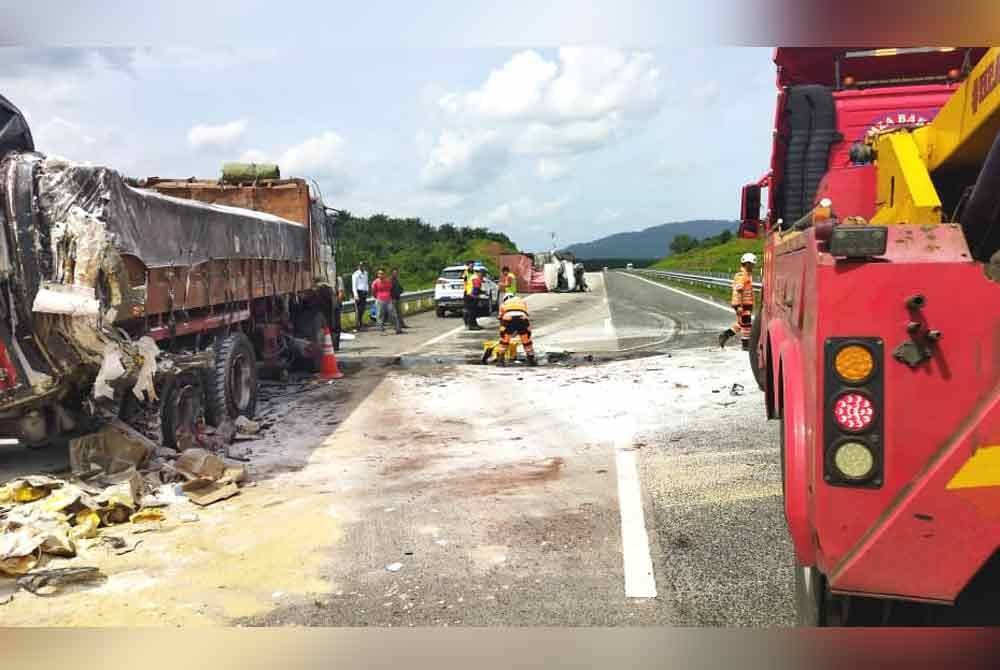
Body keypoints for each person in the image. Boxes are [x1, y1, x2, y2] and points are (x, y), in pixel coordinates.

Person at [482, 293, 537, 367]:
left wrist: (505, 331)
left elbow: (501, 318)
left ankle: (500, 360)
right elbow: (524, 313)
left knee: (504, 342)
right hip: (522, 319)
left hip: (508, 319)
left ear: (505, 298)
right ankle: (531, 360)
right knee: (526, 341)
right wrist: (520, 329)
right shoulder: (521, 301)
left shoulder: (504, 304)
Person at [719, 252, 757, 351]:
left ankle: (725, 335)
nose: (753, 266)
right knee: (746, 325)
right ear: (747, 264)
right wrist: (739, 306)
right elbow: (739, 291)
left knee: (742, 323)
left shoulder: (747, 274)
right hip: (742, 304)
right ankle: (746, 346)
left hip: (746, 303)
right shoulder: (742, 275)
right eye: (752, 264)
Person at [370, 269, 401, 334]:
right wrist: (377, 297)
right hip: (380, 299)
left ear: (385, 274)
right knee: (380, 315)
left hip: (388, 299)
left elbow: (391, 289)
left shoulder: (388, 281)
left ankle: (397, 328)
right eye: (379, 274)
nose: (380, 275)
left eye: (382, 274)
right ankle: (381, 330)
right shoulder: (375, 282)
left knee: (393, 314)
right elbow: (373, 291)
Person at [462, 260, 483, 331]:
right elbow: (465, 281)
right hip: (468, 292)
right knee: (469, 310)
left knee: (474, 310)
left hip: (473, 292)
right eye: (471, 265)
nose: (472, 266)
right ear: (468, 265)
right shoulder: (466, 272)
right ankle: (469, 324)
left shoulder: (474, 273)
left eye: (473, 265)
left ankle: (474, 324)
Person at [351, 262, 370, 331]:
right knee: (358, 310)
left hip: (364, 292)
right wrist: (355, 295)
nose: (362, 267)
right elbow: (354, 286)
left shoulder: (366, 273)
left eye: (363, 265)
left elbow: (366, 283)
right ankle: (357, 325)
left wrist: (367, 290)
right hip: (358, 292)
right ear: (358, 266)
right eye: (360, 265)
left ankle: (361, 323)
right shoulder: (355, 274)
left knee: (363, 309)